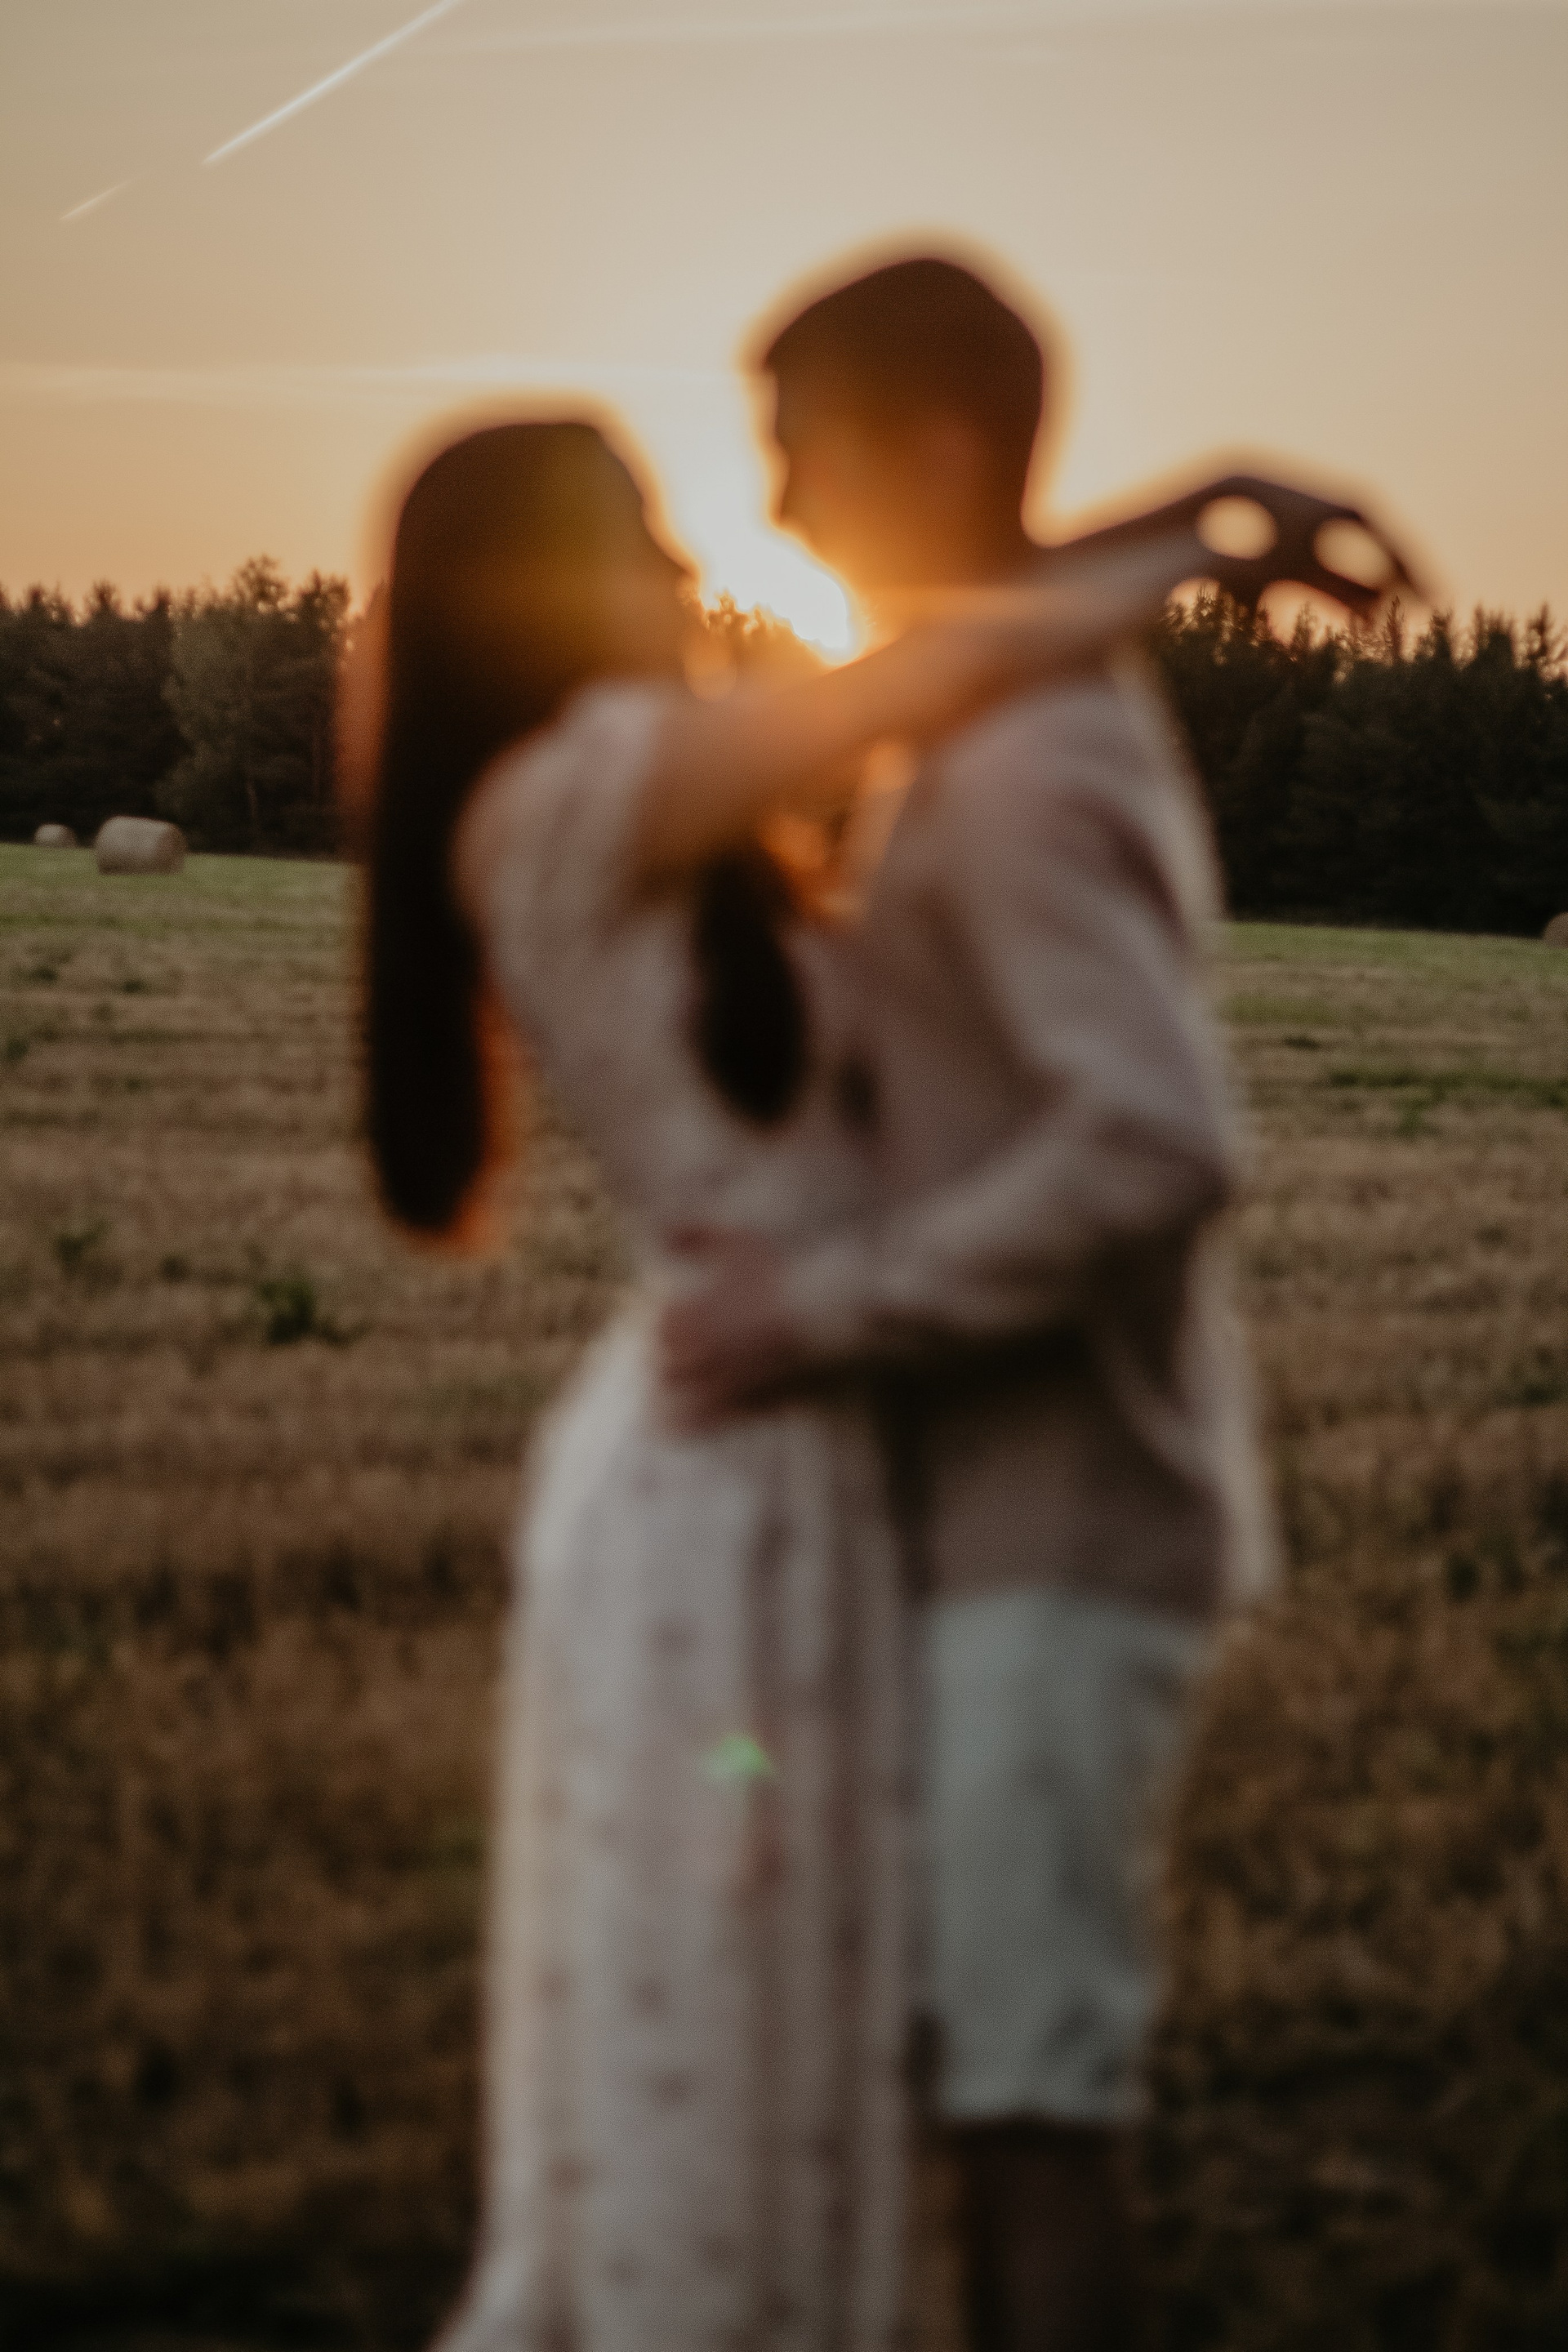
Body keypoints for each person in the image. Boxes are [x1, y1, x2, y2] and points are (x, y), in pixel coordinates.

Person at [344, 415, 1276, 2352]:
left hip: (799, 1471)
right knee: (721, 2052)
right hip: (725, 1499)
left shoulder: (665, 824)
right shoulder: (568, 794)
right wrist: (1199, 524)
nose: (688, 567)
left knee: (801, 2044)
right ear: (532, 594)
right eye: (638, 538)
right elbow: (924, 667)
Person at [661, 255, 1414, 2352]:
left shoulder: (1013, 771)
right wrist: (1199, 514)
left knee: (1027, 2121)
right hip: (1006, 1535)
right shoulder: (998, 716)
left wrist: (831, 1307)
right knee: (988, 2103)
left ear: (927, 448)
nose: (778, 510)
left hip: (1060, 1543)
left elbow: (1153, 1145)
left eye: (801, 455)